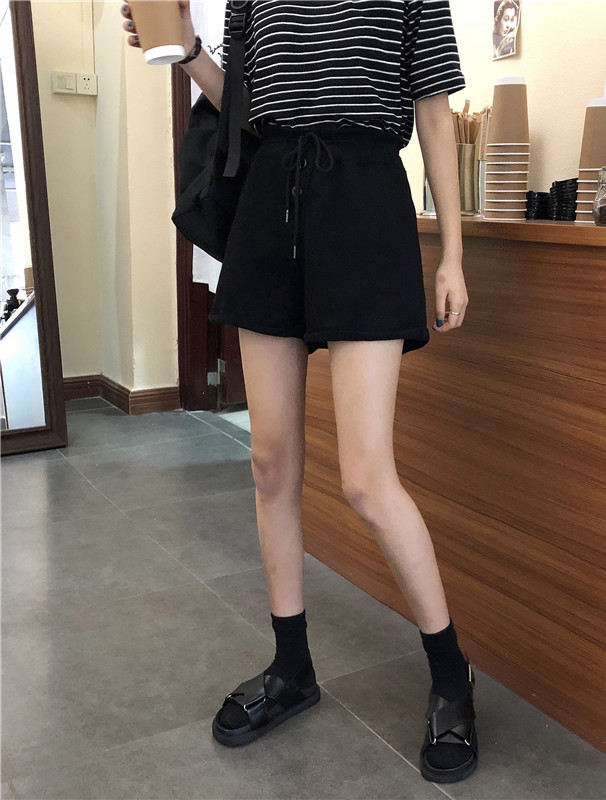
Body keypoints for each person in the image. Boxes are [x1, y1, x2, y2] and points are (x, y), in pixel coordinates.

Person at [121, 0, 477, 785]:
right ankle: (291, 667)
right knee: (271, 463)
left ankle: (452, 677)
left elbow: (434, 112)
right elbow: (243, 107)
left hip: (366, 204)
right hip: (269, 204)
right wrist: (188, 52)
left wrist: (452, 254)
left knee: (366, 478)